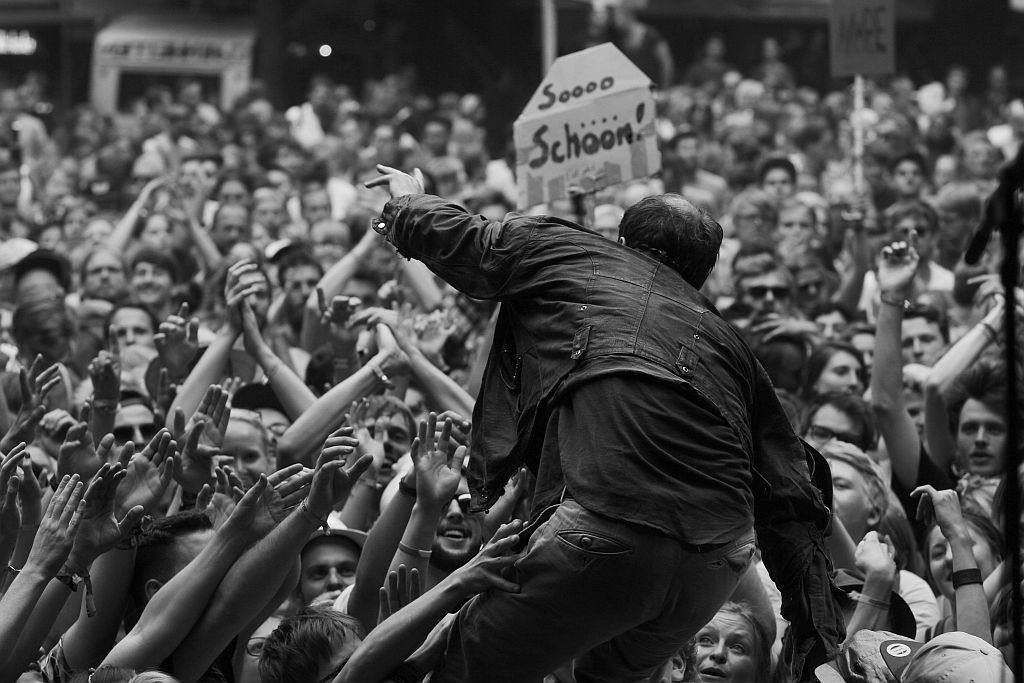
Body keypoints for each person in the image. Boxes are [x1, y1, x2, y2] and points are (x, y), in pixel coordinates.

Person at [365, 164, 842, 681]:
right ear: (701, 276)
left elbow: (469, 242)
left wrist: (407, 201)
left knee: (465, 669)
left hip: (607, 527)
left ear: (621, 241)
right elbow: (793, 490)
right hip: (714, 564)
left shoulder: (576, 253)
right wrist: (819, 638)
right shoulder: (733, 347)